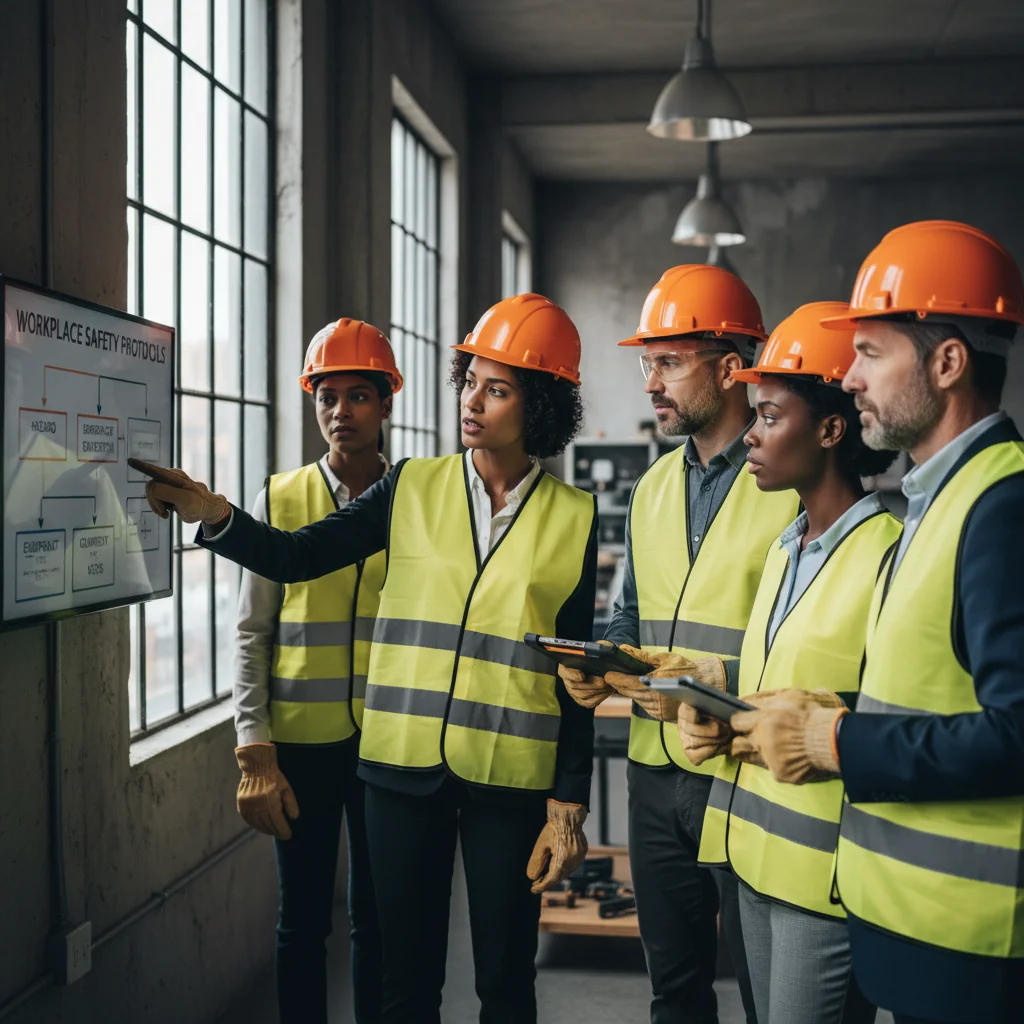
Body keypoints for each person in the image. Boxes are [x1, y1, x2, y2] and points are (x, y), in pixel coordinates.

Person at [134, 293, 598, 1024]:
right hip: (400, 776)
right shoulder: (412, 486)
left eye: (497, 388)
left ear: (538, 405)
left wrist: (570, 801)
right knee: (403, 983)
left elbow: (578, 678)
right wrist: (214, 514)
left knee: (506, 983)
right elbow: (299, 554)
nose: (472, 402)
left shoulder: (574, 517)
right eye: (468, 381)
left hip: (509, 784)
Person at [726, 220, 1024, 1024]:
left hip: (973, 943)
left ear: (948, 362)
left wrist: (837, 740)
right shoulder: (939, 503)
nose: (849, 380)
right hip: (907, 918)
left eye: (869, 353)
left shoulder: (1002, 505)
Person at [560, 265, 800, 1024]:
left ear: (731, 367)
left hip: (749, 768)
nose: (649, 382)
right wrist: (607, 661)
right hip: (655, 773)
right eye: (645, 363)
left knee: (768, 993)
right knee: (675, 993)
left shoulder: (792, 485)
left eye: (668, 363)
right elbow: (631, 612)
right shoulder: (654, 486)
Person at [679, 301, 900, 1024]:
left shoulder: (887, 554)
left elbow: (889, 721)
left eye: (769, 417)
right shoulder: (784, 549)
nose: (751, 435)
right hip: (753, 859)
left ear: (832, 429)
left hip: (826, 882)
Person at [233, 318, 396, 1024]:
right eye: (326, 398)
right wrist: (253, 744)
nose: (340, 413)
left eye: (358, 396)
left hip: (389, 742)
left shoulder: (417, 501)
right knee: (302, 922)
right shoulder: (282, 497)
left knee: (377, 923)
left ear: (387, 403)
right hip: (298, 746)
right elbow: (251, 630)